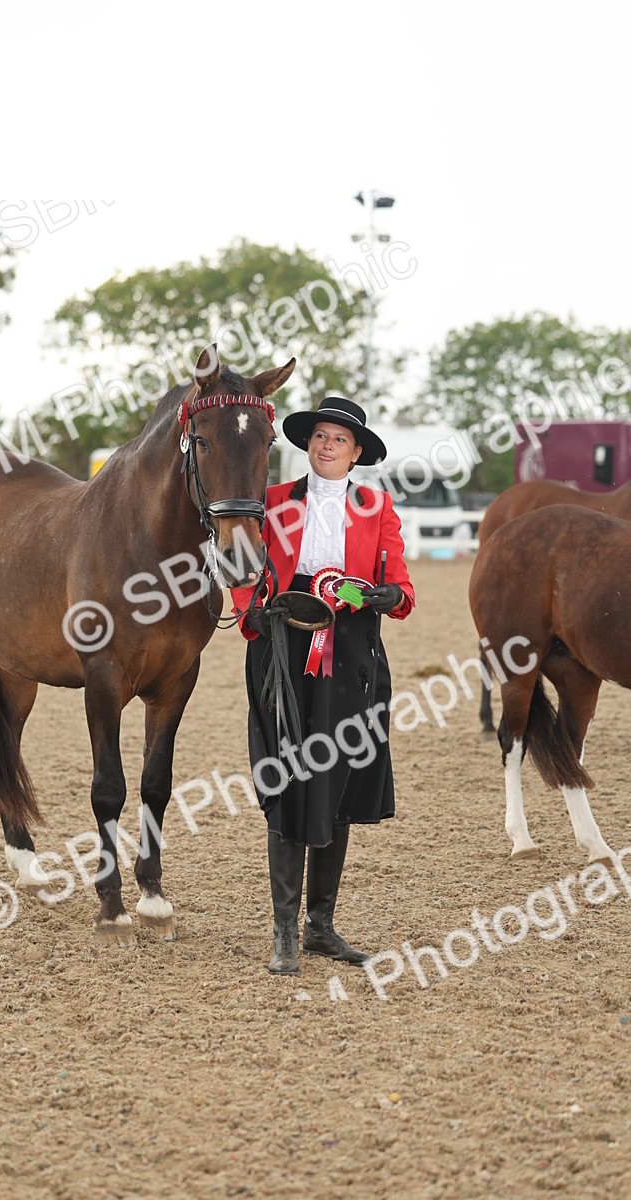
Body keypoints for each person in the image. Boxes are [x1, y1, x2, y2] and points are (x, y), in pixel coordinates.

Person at [230, 396, 415, 975]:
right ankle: (284, 931)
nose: (327, 444)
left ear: (358, 452)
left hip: (352, 651)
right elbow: (241, 564)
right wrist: (248, 613)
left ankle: (320, 927)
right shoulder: (275, 502)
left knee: (334, 781)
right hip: (283, 646)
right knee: (288, 779)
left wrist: (384, 596)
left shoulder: (379, 508)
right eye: (320, 436)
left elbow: (403, 590)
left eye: (339, 438)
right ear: (307, 444)